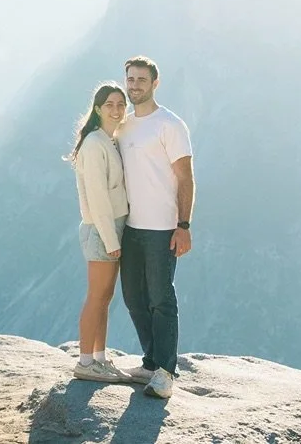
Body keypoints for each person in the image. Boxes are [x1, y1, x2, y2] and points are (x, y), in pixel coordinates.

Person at [115, 55, 194, 400]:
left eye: (141, 80)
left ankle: (165, 371)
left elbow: (186, 177)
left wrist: (184, 225)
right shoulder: (125, 125)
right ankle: (150, 361)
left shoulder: (170, 125)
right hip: (131, 228)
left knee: (161, 299)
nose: (134, 86)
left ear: (155, 83)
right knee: (134, 297)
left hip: (163, 229)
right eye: (130, 79)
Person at [68, 81, 132, 382]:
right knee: (96, 297)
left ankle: (100, 358)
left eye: (121, 104)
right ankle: (84, 362)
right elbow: (98, 196)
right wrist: (111, 239)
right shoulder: (94, 144)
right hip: (101, 229)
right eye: (110, 104)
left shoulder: (109, 140)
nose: (117, 110)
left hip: (112, 227)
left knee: (105, 297)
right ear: (97, 108)